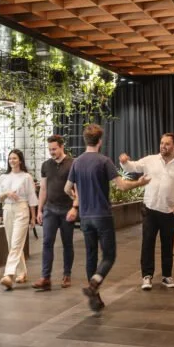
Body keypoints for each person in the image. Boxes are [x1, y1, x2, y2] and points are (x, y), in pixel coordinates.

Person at [65, 123, 150, 312]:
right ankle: (94, 283)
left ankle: (94, 297)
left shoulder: (77, 162)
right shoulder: (104, 161)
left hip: (85, 217)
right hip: (102, 215)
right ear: (100, 141)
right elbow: (121, 186)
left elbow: (66, 188)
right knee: (109, 255)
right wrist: (139, 182)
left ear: (85, 140)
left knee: (91, 256)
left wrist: (78, 198)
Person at [120, 132, 174, 290]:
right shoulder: (150, 160)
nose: (163, 146)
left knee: (167, 244)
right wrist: (124, 162)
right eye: (162, 143)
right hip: (150, 209)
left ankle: (167, 276)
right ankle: (147, 276)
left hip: (170, 212)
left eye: (167, 144)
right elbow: (133, 166)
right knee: (147, 243)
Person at [33, 134, 75, 291]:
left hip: (66, 209)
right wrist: (39, 209)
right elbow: (43, 188)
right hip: (49, 209)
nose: (52, 152)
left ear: (62, 147)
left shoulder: (72, 164)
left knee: (67, 243)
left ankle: (67, 275)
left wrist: (75, 207)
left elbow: (76, 188)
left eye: (54, 149)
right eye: (50, 149)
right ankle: (45, 277)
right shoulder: (46, 165)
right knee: (47, 243)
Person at [0, 149, 38, 290]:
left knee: (16, 243)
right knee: (12, 244)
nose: (12, 161)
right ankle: (22, 272)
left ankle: (8, 274)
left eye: (14, 158)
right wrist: (7, 193)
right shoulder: (3, 177)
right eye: (10, 159)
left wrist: (33, 216)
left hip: (22, 209)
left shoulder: (26, 177)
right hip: (7, 209)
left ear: (20, 160)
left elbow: (32, 198)